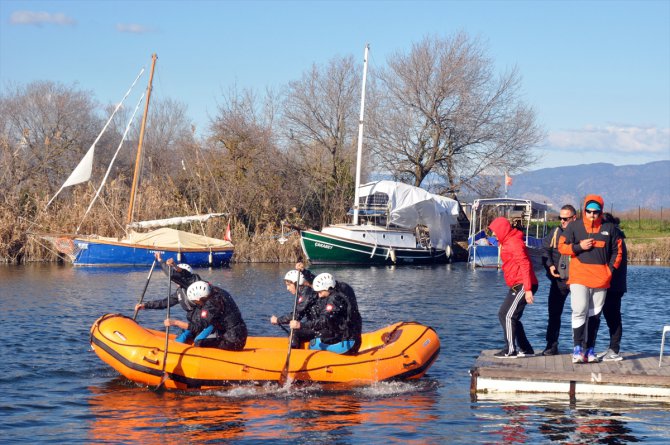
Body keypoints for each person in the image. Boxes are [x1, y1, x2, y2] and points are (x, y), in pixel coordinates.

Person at [558, 195, 622, 364]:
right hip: (579, 277)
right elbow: (561, 246)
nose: (592, 215)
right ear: (584, 210)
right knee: (579, 310)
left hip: (601, 279)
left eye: (596, 212)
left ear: (601, 211)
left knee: (594, 315)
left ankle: (590, 350)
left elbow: (617, 251)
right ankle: (577, 349)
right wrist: (579, 247)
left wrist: (609, 270)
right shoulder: (574, 226)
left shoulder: (609, 228)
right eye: (588, 211)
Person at [488, 217, 538, 359]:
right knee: (509, 315)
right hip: (517, 283)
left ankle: (510, 350)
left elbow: (525, 265)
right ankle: (526, 349)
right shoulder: (507, 241)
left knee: (507, 315)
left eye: (496, 232)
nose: (494, 235)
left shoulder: (514, 243)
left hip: (524, 283)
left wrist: (528, 289)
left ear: (502, 230)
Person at [134, 253, 202, 343]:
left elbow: (172, 274)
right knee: (183, 335)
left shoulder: (195, 285)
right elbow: (164, 303)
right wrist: (145, 305)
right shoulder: (180, 292)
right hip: (192, 324)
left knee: (194, 338)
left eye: (179, 278)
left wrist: (160, 260)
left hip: (203, 322)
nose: (176, 281)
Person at [289, 272, 362, 354]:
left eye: (320, 292)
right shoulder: (342, 289)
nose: (319, 296)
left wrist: (301, 325)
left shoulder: (334, 300)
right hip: (352, 338)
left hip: (347, 344)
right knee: (322, 335)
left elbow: (323, 321)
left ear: (328, 288)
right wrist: (304, 271)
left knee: (314, 344)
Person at [164, 280, 248, 351]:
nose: (196, 304)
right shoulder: (217, 291)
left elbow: (198, 327)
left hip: (233, 341)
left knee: (199, 342)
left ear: (199, 299)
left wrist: (175, 322)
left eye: (195, 302)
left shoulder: (211, 305)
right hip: (240, 332)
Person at [540, 204, 577, 356]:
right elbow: (545, 250)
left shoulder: (581, 233)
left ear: (574, 218)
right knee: (554, 313)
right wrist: (550, 266)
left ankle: (581, 347)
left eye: (565, 219)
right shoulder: (555, 232)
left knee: (580, 313)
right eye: (560, 218)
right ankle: (551, 345)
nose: (562, 221)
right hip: (558, 281)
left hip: (577, 280)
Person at [596, 212, 628, 361]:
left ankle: (614, 350)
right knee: (608, 316)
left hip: (613, 285)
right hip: (610, 284)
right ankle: (611, 348)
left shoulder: (616, 237)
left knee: (613, 316)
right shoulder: (614, 235)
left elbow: (612, 261)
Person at [270, 264, 320, 348]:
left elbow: (295, 316)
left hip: (319, 328)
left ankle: (295, 355)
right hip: (315, 326)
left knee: (294, 332)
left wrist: (278, 320)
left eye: (289, 285)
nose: (287, 288)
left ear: (296, 283)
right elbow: (298, 315)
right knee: (295, 329)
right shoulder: (303, 293)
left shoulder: (306, 293)